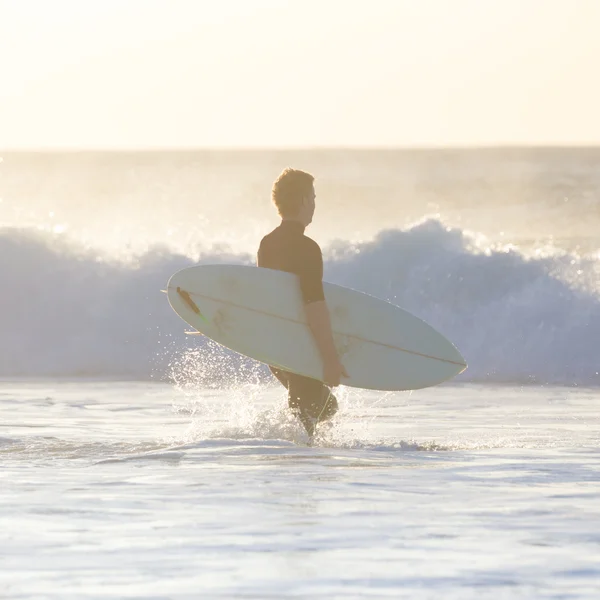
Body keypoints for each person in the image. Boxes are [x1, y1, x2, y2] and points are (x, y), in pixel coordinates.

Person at [257, 168, 348, 439]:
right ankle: (299, 466)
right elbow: (313, 304)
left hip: (278, 348)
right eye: (314, 197)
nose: (315, 205)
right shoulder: (307, 248)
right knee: (312, 410)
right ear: (305, 200)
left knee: (322, 407)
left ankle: (292, 455)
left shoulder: (267, 243)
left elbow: (266, 299)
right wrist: (330, 359)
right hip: (301, 346)